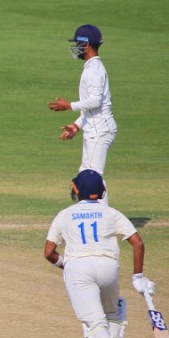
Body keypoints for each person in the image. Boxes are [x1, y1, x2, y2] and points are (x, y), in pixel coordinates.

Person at [43, 169, 155, 338]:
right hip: (107, 267)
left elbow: (49, 253)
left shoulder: (65, 215)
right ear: (102, 191)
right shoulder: (111, 213)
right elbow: (137, 243)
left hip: (78, 269)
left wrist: (66, 265)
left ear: (76, 190)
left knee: (94, 322)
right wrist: (138, 277)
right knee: (113, 312)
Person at [48, 24, 116, 204]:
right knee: (87, 173)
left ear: (86, 45)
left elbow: (95, 101)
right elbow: (93, 108)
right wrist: (77, 125)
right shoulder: (93, 67)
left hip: (100, 129)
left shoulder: (93, 71)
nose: (76, 47)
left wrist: (69, 105)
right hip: (95, 127)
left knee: (93, 176)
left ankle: (103, 217)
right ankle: (95, 214)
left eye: (78, 43)